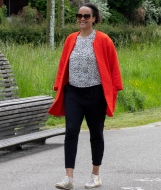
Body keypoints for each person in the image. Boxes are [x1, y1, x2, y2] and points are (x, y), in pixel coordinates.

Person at [48, 3, 123, 189]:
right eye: (79, 15)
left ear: (94, 19)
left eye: (86, 16)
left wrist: (114, 89)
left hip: (95, 93)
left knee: (96, 134)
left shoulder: (104, 39)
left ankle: (95, 175)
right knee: (71, 131)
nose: (82, 19)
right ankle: (68, 178)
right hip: (73, 92)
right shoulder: (70, 39)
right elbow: (63, 64)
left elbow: (113, 67)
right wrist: (59, 85)